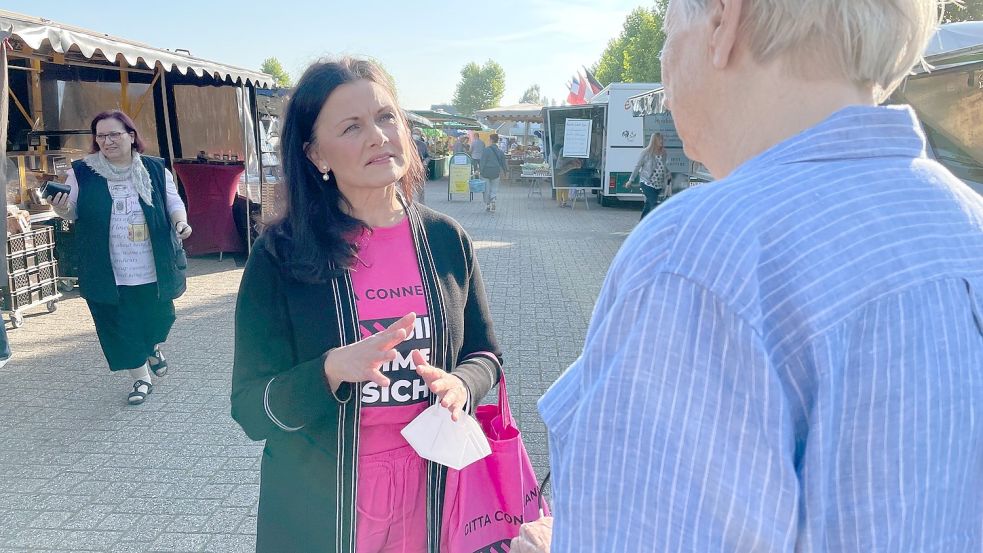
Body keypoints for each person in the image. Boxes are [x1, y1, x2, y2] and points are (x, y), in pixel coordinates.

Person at [515, 0, 983, 551]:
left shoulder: (697, 257)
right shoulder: (965, 224)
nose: (665, 60)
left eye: (669, 31)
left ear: (723, 20)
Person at [231, 58, 503, 553]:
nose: (378, 136)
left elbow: (487, 355)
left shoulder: (447, 240)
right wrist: (332, 369)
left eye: (385, 117)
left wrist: (461, 384)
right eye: (352, 126)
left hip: (436, 496)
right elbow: (251, 408)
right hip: (323, 507)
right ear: (316, 154)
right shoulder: (281, 257)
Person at [49, 110, 191, 405]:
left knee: (161, 317)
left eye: (114, 134)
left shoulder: (154, 168)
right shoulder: (83, 172)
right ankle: (141, 377)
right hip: (107, 267)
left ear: (131, 135)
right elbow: (72, 211)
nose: (107, 141)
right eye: (101, 135)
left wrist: (181, 222)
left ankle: (151, 346)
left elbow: (172, 201)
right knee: (119, 325)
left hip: (152, 265)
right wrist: (61, 208)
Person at [627, 132, 670, 219]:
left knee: (648, 205)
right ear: (654, 141)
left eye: (662, 139)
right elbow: (637, 166)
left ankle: (641, 224)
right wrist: (631, 180)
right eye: (659, 139)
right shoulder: (646, 152)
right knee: (654, 204)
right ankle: (655, 226)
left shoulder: (664, 153)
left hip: (658, 185)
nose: (661, 141)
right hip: (647, 183)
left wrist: (668, 177)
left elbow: (665, 166)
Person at [480, 133, 507, 212]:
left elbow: (482, 162)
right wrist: (505, 172)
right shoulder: (500, 151)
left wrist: (480, 171)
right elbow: (503, 163)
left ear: (491, 140)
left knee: (486, 189)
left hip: (486, 172)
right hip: (496, 172)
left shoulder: (486, 150)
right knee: (494, 188)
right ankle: (493, 201)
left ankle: (488, 205)